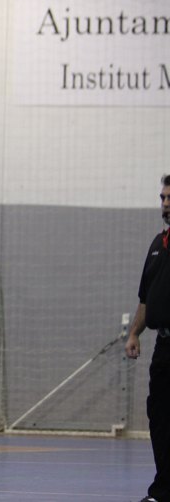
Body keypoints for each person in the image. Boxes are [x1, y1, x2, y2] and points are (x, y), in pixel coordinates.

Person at [126, 174, 170, 502]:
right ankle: (163, 491)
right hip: (164, 348)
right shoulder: (158, 244)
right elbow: (146, 298)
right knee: (160, 417)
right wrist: (134, 333)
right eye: (162, 198)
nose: (165, 204)